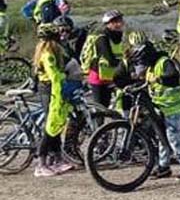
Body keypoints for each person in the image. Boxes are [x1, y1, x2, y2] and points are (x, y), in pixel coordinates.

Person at [128, 42, 180, 180]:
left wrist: (159, 79)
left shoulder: (164, 62)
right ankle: (163, 166)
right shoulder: (151, 67)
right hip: (160, 105)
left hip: (172, 105)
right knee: (161, 136)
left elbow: (173, 78)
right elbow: (147, 82)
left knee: (173, 136)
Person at [33, 23, 74, 177]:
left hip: (51, 88)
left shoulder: (53, 50)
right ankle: (41, 163)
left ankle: (57, 159)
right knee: (50, 126)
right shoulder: (48, 53)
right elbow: (54, 75)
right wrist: (66, 76)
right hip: (48, 90)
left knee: (56, 125)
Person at [84, 10, 127, 108]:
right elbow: (109, 59)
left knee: (110, 106)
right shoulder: (102, 38)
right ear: (110, 23)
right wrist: (126, 64)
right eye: (118, 21)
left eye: (121, 20)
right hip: (98, 78)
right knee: (100, 109)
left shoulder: (118, 37)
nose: (121, 23)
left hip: (110, 76)